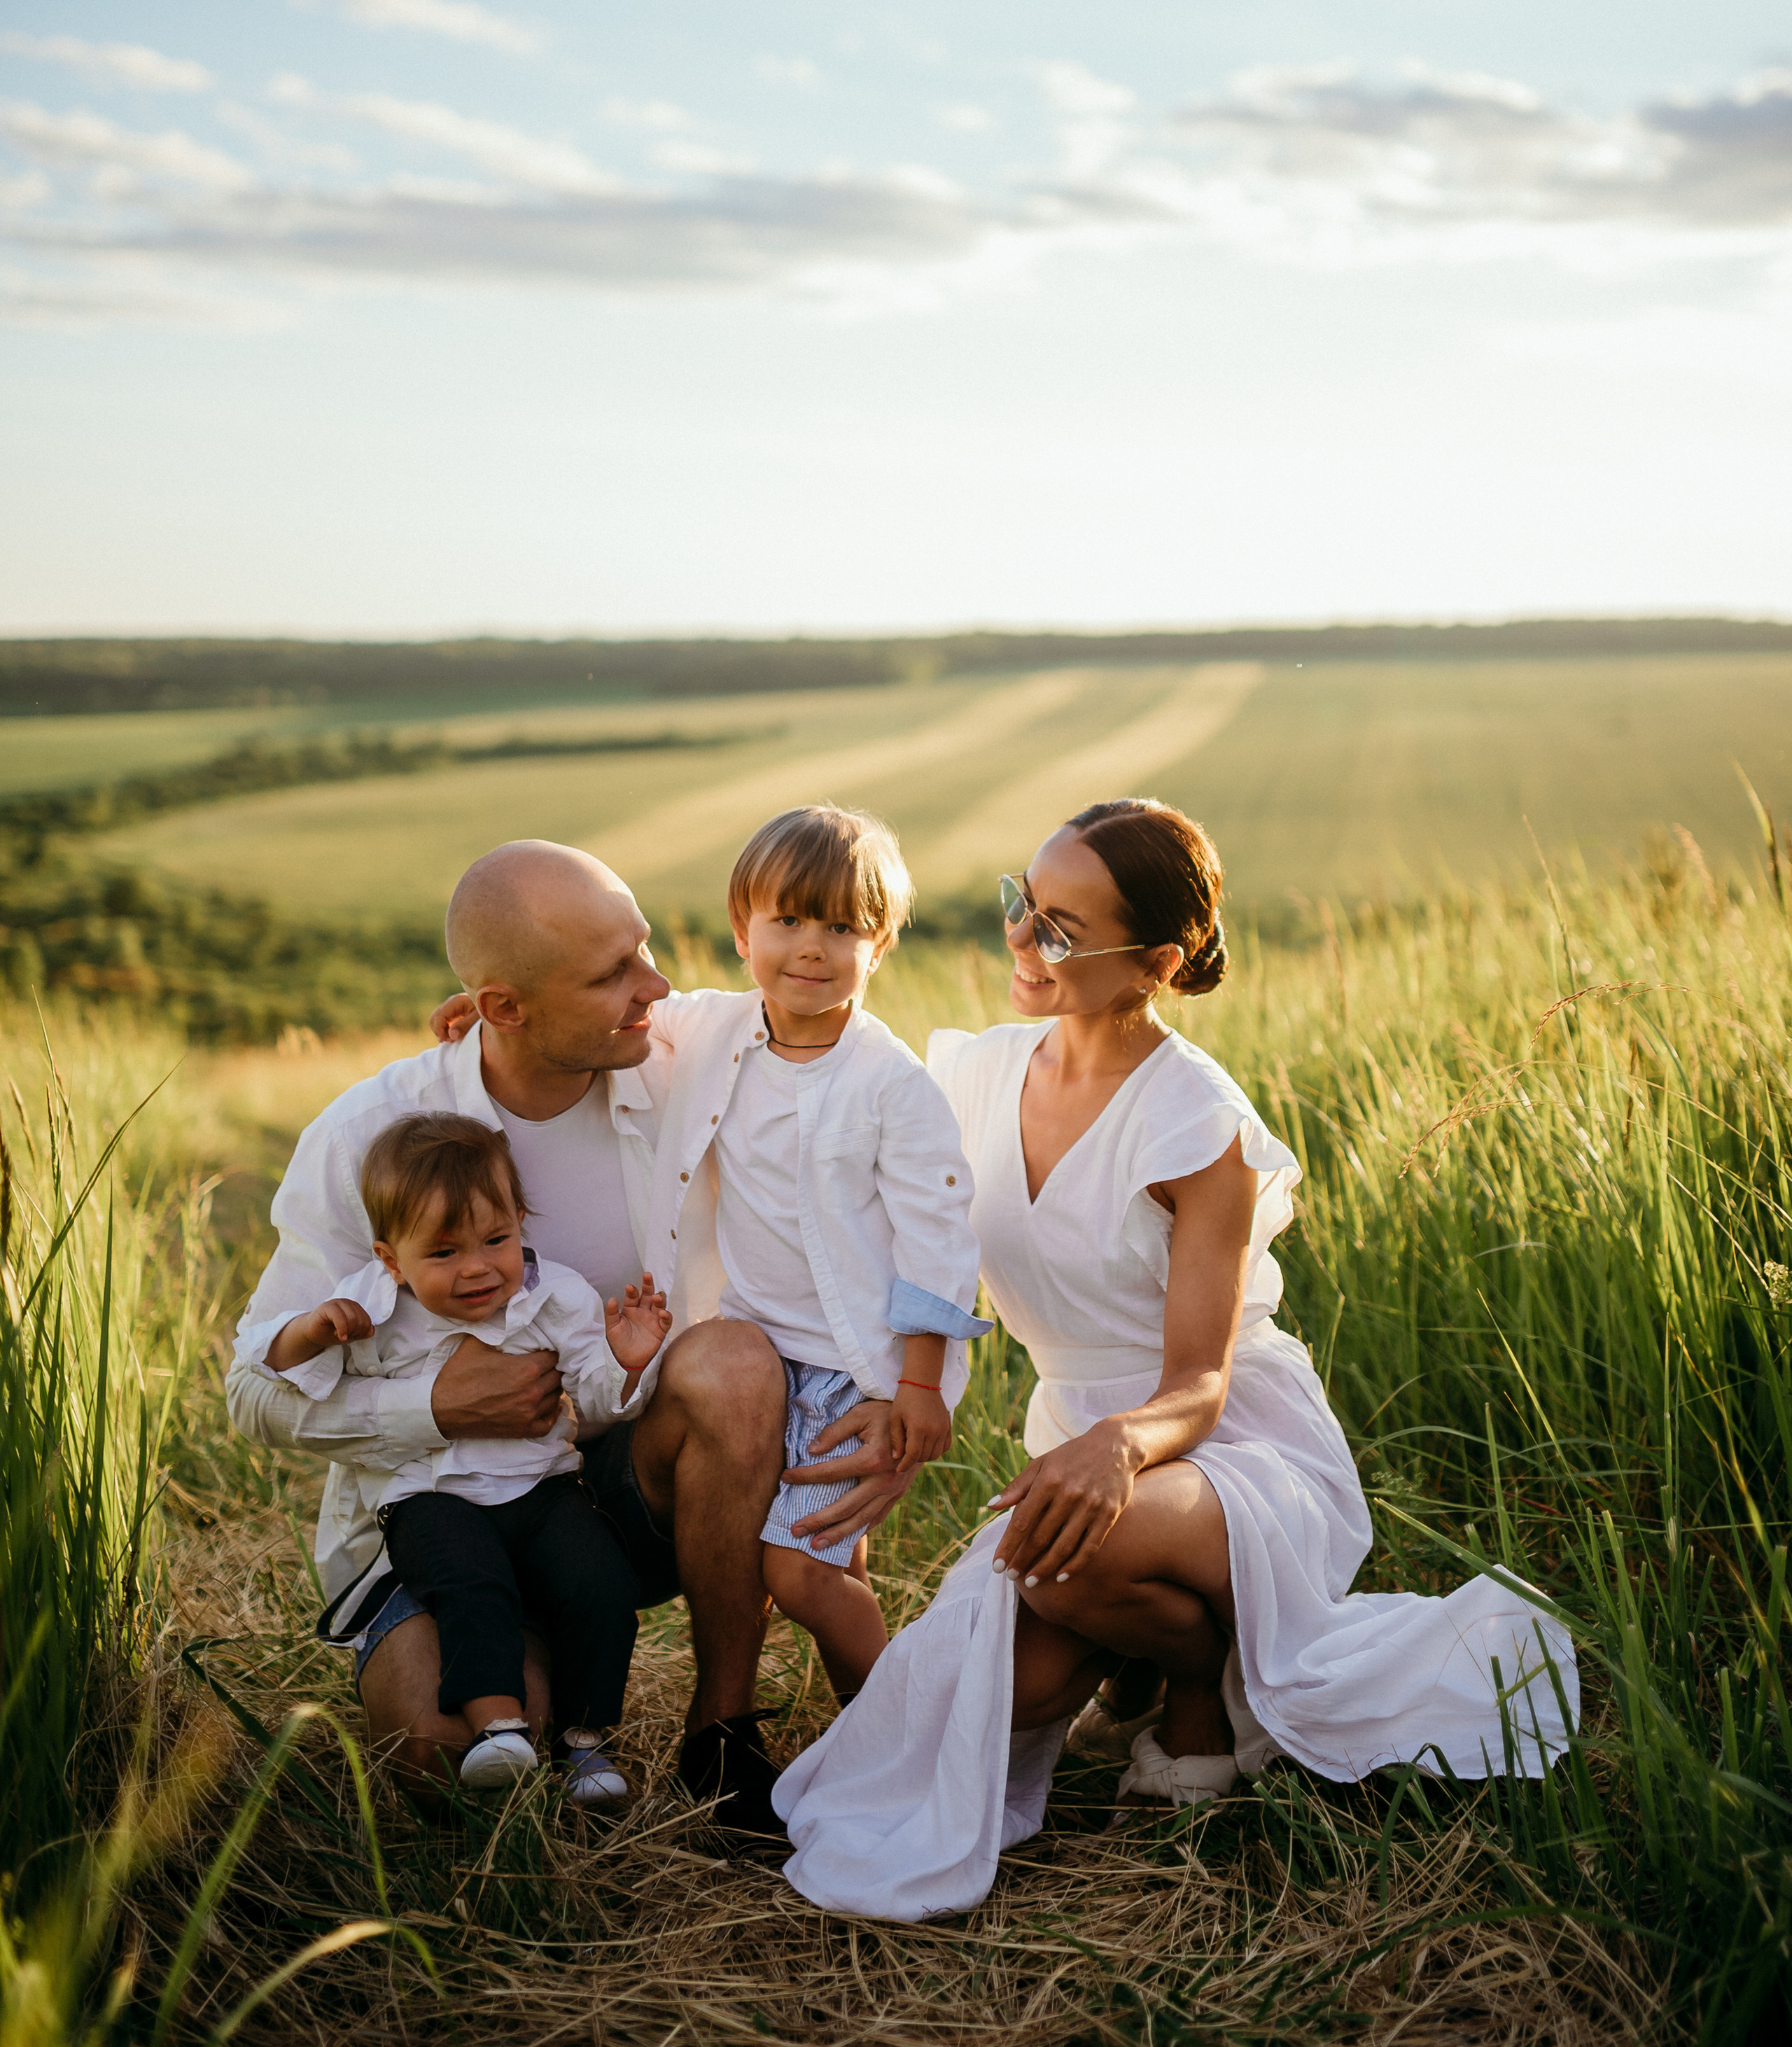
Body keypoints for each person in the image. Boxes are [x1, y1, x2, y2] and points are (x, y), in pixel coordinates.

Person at [773, 798, 1581, 1920]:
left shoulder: (1197, 1118)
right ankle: (1150, 1663)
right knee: (1009, 1695)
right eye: (1021, 903)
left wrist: (1118, 1447)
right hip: (1080, 1436)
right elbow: (821, 1120)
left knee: (1066, 1553)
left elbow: (1200, 1380)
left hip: (1223, 1442)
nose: (1020, 940)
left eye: (1058, 929)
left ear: (1153, 961)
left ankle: (1201, 1695)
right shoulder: (973, 1075)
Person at [227, 839, 914, 1838]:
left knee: (733, 1359)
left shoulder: (689, 1061)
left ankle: (721, 1733)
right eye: (613, 974)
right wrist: (431, 1404)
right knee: (440, 1757)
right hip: (446, 1511)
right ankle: (531, 1683)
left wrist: (903, 1389)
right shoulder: (373, 1131)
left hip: (628, 1491)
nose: (658, 984)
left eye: (640, 950)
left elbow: (859, 1072)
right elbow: (251, 1392)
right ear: (503, 1008)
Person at [645, 804, 989, 1699]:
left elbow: (937, 1244)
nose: (811, 947)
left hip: (854, 1370)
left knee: (798, 1576)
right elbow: (621, 1008)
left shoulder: (890, 1084)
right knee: (833, 1570)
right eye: (788, 921)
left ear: (879, 946)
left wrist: (916, 1388)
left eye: (842, 927)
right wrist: (482, 1011)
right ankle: (864, 1746)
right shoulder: (712, 1029)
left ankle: (906, 1742)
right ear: (741, 931)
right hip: (762, 1357)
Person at [240, 1111, 671, 1801]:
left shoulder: (556, 1296)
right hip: (429, 1499)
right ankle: (497, 1725)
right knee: (470, 1584)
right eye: (442, 1254)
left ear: (521, 1223)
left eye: (495, 1240)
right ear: (391, 1259)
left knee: (603, 1583)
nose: (475, 1268)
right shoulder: (373, 1305)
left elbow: (594, 1399)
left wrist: (626, 1360)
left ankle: (586, 1743)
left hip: (539, 1489)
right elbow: (270, 1373)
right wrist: (309, 1330)